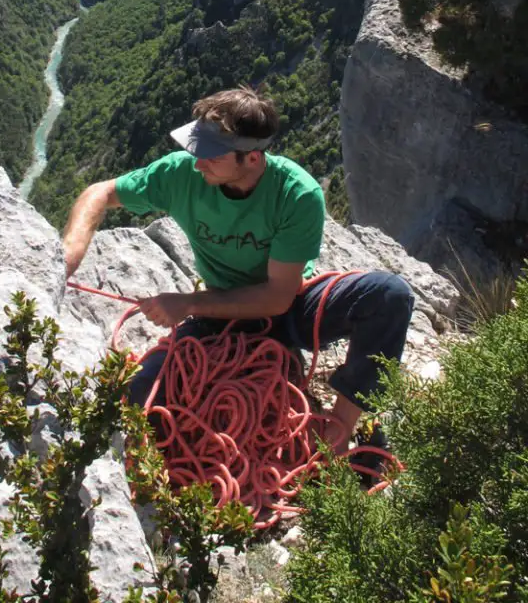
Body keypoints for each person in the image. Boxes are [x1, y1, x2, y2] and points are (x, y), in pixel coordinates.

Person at [63, 86, 414, 450]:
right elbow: (100, 193)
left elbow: (278, 298)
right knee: (139, 399)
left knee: (389, 295)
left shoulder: (296, 194)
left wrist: (188, 304)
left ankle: (338, 430)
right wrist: (70, 252)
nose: (198, 163)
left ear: (252, 158)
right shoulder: (182, 174)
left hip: (292, 307)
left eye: (212, 156)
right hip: (223, 315)